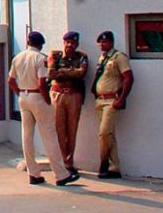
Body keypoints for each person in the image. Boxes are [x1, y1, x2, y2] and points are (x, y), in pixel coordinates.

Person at [8, 31, 80, 186]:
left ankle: (33, 174)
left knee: (27, 136)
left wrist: (20, 93)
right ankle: (61, 174)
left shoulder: (18, 58)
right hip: (38, 96)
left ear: (28, 42)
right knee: (49, 136)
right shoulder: (41, 58)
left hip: (24, 96)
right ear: (40, 45)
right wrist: (47, 100)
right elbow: (42, 83)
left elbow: (11, 81)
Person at [91, 30, 134, 179]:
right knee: (109, 135)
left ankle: (104, 164)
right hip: (100, 100)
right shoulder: (102, 58)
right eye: (100, 42)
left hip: (111, 100)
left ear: (111, 42)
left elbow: (128, 78)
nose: (102, 45)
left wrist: (122, 98)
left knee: (104, 133)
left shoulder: (119, 57)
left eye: (104, 42)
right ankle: (114, 167)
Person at [48, 31, 88, 175]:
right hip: (58, 95)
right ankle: (61, 162)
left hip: (74, 95)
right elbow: (51, 74)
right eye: (68, 42)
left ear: (77, 44)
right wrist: (72, 71)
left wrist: (62, 71)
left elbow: (82, 73)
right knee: (59, 129)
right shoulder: (55, 56)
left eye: (73, 43)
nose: (70, 45)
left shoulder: (82, 57)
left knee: (72, 130)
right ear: (63, 42)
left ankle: (69, 163)